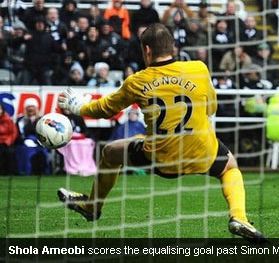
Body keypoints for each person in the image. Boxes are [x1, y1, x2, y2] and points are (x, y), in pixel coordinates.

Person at [56, 23, 267, 242]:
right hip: (201, 151)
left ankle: (92, 207)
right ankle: (239, 216)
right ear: (173, 47)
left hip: (161, 158)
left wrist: (79, 107)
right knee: (230, 167)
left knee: (110, 152)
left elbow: (105, 109)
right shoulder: (198, 69)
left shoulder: (137, 81)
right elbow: (212, 109)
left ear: (146, 50)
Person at [0, 102, 18, 175]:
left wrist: (8, 142)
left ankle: (9, 172)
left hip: (7, 143)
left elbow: (14, 132)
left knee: (8, 153)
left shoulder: (8, 119)